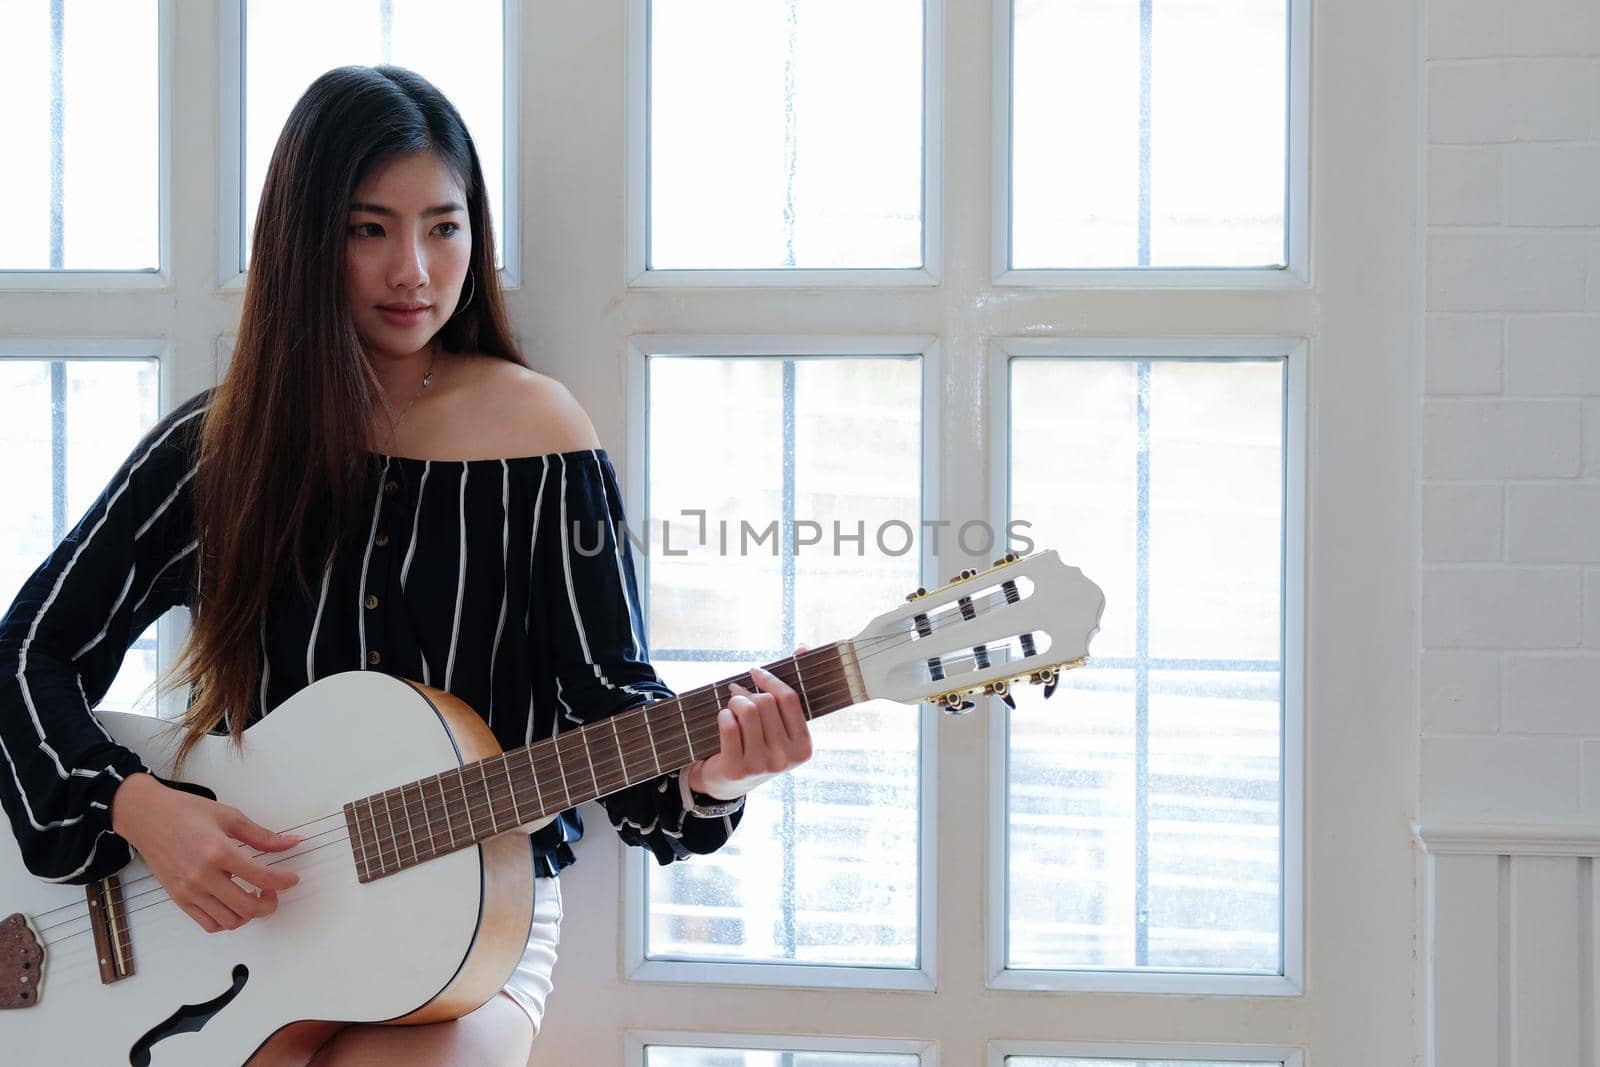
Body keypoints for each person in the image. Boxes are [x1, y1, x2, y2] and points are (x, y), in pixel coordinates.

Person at [0, 65, 813, 1066]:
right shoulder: (220, 449)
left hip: (470, 925)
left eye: (444, 225)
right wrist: (139, 806)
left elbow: (606, 699)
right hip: (235, 925)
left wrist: (713, 771)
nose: (414, 272)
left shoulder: (540, 437)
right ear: (305, 242)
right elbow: (25, 657)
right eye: (367, 228)